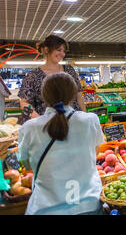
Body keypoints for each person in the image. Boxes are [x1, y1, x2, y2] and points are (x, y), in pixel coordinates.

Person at [18, 73, 104, 215]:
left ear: (44, 97)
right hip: (88, 205)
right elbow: (95, 153)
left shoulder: (29, 128)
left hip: (45, 208)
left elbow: (26, 165)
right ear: (73, 96)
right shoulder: (90, 120)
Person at [18, 35, 86, 118]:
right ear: (47, 50)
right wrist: (38, 119)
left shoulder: (69, 70)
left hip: (74, 121)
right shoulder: (33, 75)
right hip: (47, 125)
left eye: (64, 51)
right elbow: (24, 102)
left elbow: (78, 96)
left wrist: (85, 117)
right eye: (59, 50)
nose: (63, 54)